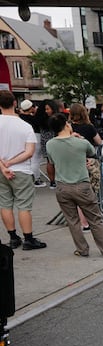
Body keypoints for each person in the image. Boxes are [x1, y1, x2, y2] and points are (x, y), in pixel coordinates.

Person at [45, 113, 103, 258]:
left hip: (62, 186)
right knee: (95, 219)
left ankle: (82, 249)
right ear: (66, 125)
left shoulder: (50, 144)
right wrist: (79, 138)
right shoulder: (81, 143)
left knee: (72, 221)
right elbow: (91, 152)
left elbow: (51, 163)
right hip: (82, 185)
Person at [0, 90, 46, 250]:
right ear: (14, 103)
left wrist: (3, 166)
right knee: (23, 205)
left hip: (2, 170)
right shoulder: (25, 126)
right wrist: (11, 162)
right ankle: (28, 238)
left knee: (5, 204)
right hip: (21, 169)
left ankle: (13, 237)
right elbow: (29, 152)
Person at [69, 103, 103, 231]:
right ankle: (87, 221)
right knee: (90, 193)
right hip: (89, 161)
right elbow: (99, 141)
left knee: (76, 193)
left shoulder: (68, 128)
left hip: (72, 162)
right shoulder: (89, 127)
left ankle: (79, 221)